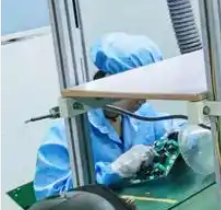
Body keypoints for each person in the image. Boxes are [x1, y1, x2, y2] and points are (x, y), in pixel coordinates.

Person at [35, 33, 183, 200]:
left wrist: (185, 135)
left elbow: (176, 127)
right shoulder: (64, 136)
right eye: (139, 88)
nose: (144, 98)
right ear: (111, 82)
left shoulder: (143, 115)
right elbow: (51, 198)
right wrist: (113, 170)